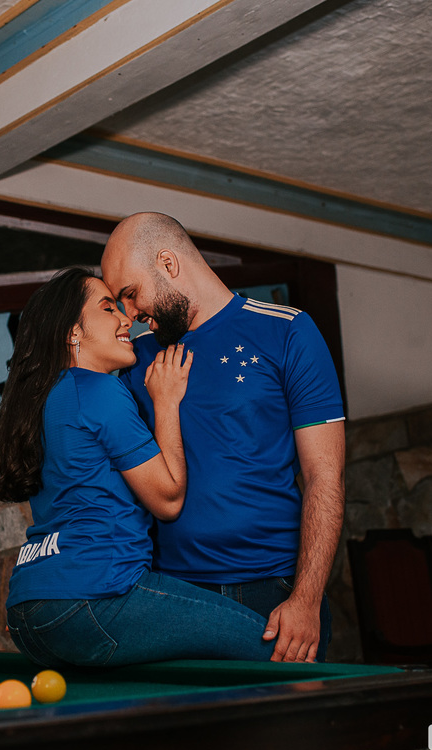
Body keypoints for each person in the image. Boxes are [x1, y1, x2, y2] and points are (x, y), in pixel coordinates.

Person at [0, 267, 274, 669]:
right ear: (73, 331)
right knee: (273, 648)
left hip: (28, 610)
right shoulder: (98, 389)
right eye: (108, 308)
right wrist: (166, 401)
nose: (126, 319)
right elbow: (168, 499)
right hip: (95, 597)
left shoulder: (43, 398)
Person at [101, 212, 345, 663]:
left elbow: (324, 476)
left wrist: (306, 599)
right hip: (172, 594)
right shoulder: (136, 359)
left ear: (168, 264)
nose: (130, 314)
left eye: (130, 294)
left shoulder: (287, 331)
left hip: (274, 595)